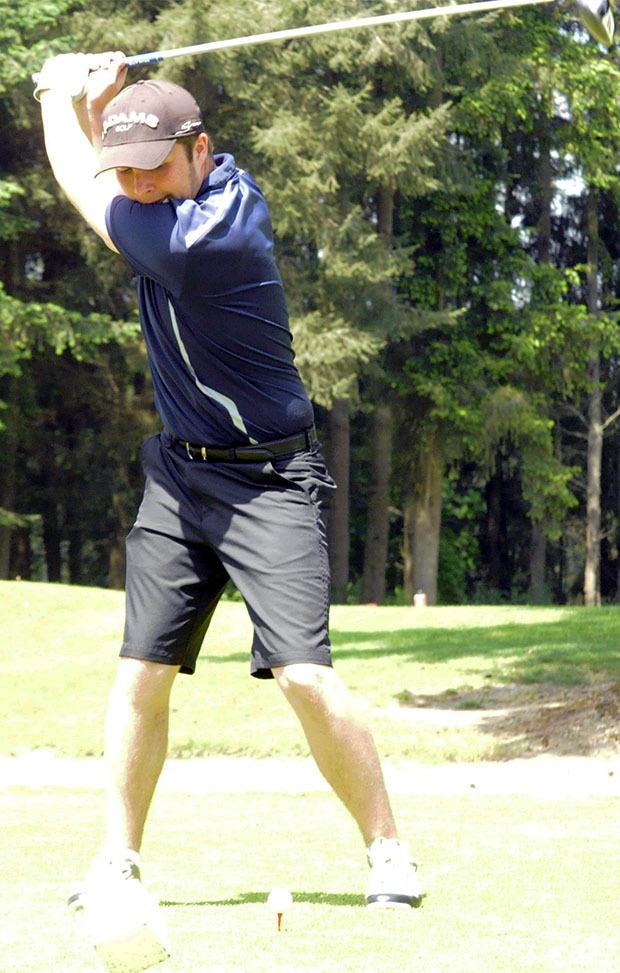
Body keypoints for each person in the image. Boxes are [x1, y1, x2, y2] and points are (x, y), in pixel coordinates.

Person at [35, 51, 422, 939]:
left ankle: (389, 847)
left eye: (154, 165)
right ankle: (117, 858)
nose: (137, 182)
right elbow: (121, 178)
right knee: (140, 672)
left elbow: (95, 203)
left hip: (270, 481)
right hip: (180, 474)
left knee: (304, 676)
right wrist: (111, 112)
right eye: (125, 169)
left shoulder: (214, 237)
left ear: (201, 151)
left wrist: (59, 98)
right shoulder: (175, 190)